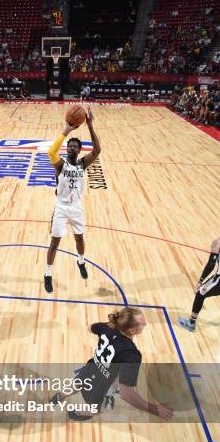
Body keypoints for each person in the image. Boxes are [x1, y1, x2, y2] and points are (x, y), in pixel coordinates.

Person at [51, 308, 173, 421]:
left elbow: (90, 327)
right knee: (95, 410)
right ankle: (76, 413)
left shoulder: (107, 327)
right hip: (100, 386)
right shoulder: (131, 354)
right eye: (143, 323)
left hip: (90, 369)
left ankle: (59, 396)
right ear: (132, 330)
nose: (145, 324)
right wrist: (155, 409)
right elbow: (127, 395)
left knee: (75, 385)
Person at [44, 106, 101, 293]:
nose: (72, 148)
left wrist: (90, 125)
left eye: (75, 146)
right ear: (67, 148)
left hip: (76, 207)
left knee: (79, 238)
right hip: (61, 207)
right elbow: (51, 152)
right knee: (55, 242)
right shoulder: (60, 164)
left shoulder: (83, 164)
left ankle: (81, 261)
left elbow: (97, 151)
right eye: (69, 146)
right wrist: (66, 131)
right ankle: (48, 273)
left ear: (79, 149)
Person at [178, 237, 220, 332]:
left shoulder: (217, 243)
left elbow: (211, 264)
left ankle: (191, 324)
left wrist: (200, 281)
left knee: (200, 293)